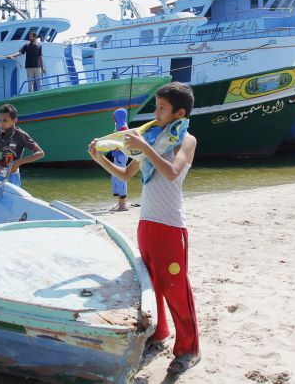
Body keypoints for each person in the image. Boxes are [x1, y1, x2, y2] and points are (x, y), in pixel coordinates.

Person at [88, 82, 201, 374]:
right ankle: (159, 335)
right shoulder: (152, 137)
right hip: (147, 225)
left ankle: (189, 349)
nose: (156, 113)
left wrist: (144, 147)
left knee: (176, 289)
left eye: (162, 109)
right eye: (156, 107)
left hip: (171, 226)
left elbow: (172, 172)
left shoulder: (186, 140)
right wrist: (100, 158)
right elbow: (126, 174)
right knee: (153, 287)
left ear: (180, 112)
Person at [0, 104, 44, 187]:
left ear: (14, 121)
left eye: (5, 120)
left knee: (11, 198)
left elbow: (40, 153)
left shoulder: (20, 135)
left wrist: (18, 163)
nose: (1, 123)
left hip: (13, 176)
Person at [110, 108, 130, 211]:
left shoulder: (122, 127)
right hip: (118, 156)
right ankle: (120, 203)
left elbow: (124, 142)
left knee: (120, 178)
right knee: (116, 177)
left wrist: (114, 146)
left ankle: (123, 205)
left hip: (121, 156)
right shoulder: (120, 126)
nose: (113, 118)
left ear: (119, 116)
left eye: (115, 116)